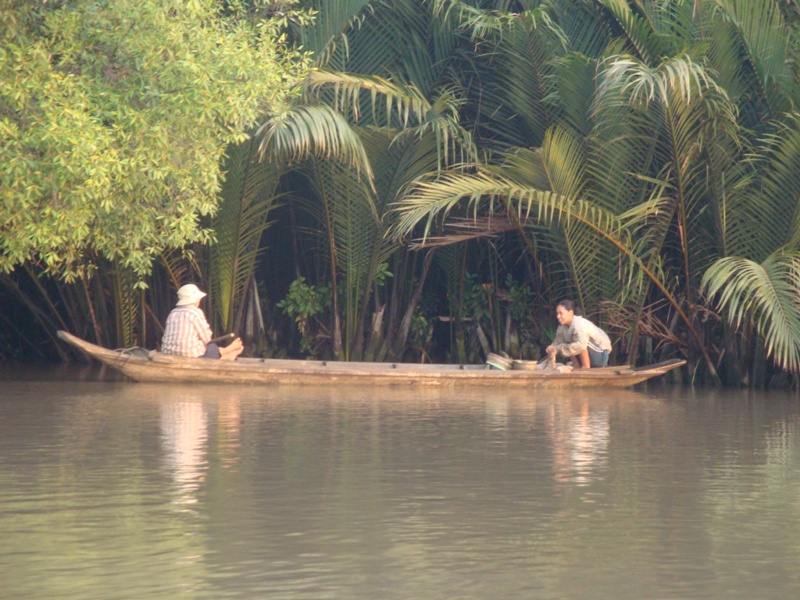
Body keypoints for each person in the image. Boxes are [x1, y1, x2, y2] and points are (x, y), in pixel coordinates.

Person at [161, 284, 244, 360]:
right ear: (195, 300)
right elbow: (207, 338)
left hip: (168, 354)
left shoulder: (173, 312)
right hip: (190, 357)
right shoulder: (195, 312)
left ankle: (227, 354)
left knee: (206, 347)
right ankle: (227, 353)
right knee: (212, 347)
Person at [545, 299, 611, 368]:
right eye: (557, 313)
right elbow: (557, 342)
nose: (558, 316)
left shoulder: (579, 325)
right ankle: (577, 366)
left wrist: (559, 348)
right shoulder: (562, 328)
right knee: (569, 340)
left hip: (601, 356)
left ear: (570, 313)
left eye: (561, 313)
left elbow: (581, 345)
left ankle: (585, 367)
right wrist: (551, 348)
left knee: (576, 340)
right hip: (590, 354)